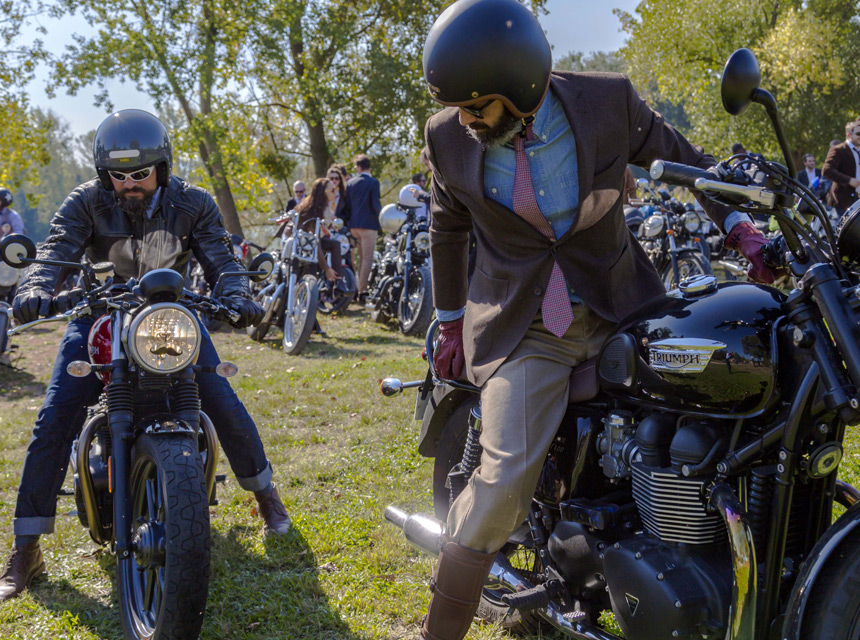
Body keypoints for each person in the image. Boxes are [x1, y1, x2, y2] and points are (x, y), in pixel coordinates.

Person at [416, 1, 777, 639]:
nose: (465, 119)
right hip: (525, 328)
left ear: (522, 85)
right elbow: (447, 229)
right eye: (460, 107)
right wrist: (450, 322)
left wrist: (740, 226)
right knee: (500, 487)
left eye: (477, 106)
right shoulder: (447, 136)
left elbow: (684, 160)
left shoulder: (608, 103)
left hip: (623, 306)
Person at [0, 109, 292, 605]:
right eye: (119, 174)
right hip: (98, 315)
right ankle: (27, 548)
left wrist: (238, 295)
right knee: (56, 415)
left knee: (222, 398)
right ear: (103, 171)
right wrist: (38, 287)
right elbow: (56, 253)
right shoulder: (85, 201)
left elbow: (222, 260)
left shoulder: (193, 203)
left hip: (171, 317)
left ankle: (266, 497)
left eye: (140, 173)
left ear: (162, 166)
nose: (129, 184)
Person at [288, 177, 341, 285]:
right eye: (332, 190)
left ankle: (338, 281)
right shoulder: (312, 210)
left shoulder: (325, 207)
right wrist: (326, 269)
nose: (335, 192)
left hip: (313, 243)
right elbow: (314, 243)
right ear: (323, 193)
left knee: (335, 244)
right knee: (312, 265)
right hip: (302, 245)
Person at [344, 154, 381, 301]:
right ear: (368, 166)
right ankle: (362, 291)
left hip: (354, 225)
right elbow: (375, 204)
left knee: (359, 259)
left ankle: (356, 288)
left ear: (359, 167)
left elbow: (348, 206)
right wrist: (382, 219)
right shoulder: (373, 182)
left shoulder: (351, 183)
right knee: (367, 259)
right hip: (368, 225)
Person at [822, 120, 860, 217]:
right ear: (848, 135)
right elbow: (826, 170)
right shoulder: (839, 149)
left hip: (857, 200)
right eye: (858, 133)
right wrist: (849, 180)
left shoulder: (858, 151)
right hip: (843, 201)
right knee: (847, 231)